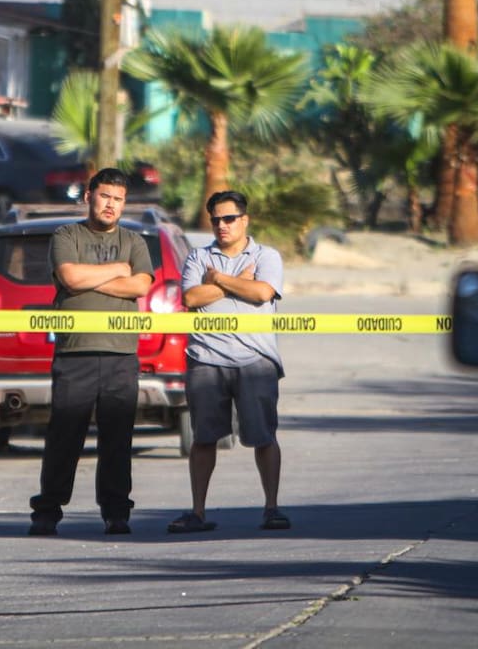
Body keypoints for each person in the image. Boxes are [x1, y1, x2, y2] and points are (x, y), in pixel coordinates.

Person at [29, 168, 154, 536]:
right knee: (64, 437)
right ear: (88, 197)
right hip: (75, 355)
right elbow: (70, 279)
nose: (111, 205)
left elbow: (142, 285)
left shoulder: (135, 241)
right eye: (104, 196)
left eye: (118, 199)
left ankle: (116, 513)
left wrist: (94, 279)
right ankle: (47, 511)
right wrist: (117, 270)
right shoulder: (67, 235)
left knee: (118, 439)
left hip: (120, 356)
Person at [168, 190, 290, 533]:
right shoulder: (197, 256)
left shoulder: (267, 255)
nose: (222, 226)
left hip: (256, 359)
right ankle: (198, 511)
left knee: (264, 436)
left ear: (244, 220)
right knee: (204, 438)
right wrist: (237, 282)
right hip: (206, 359)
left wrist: (218, 280)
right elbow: (192, 297)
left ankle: (272, 507)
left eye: (229, 219)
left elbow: (262, 292)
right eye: (216, 220)